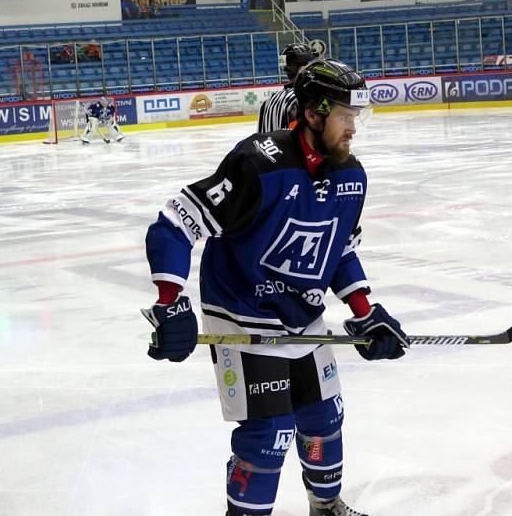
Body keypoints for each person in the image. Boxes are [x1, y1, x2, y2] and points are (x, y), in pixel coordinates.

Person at [141, 58, 410, 516]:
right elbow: (172, 226)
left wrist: (365, 310)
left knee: (325, 419)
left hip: (303, 316)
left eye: (356, 118)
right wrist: (171, 304)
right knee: (269, 433)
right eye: (346, 117)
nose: (354, 129)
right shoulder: (257, 165)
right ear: (313, 114)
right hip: (241, 313)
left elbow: (337, 249)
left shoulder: (352, 176)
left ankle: (326, 508)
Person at [258, 43, 318, 133]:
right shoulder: (300, 99)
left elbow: (260, 138)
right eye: (310, 64)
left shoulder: (267, 102)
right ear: (301, 68)